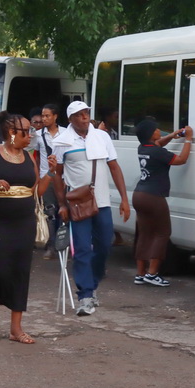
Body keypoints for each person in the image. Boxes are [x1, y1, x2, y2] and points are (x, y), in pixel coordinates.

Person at [0, 112, 49, 343]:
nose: (31, 135)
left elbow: (36, 190)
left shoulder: (29, 157)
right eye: (26, 131)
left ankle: (16, 329)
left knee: (21, 270)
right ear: (12, 133)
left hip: (24, 221)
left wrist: (53, 172)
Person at [52, 100, 131, 316]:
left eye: (86, 113)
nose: (84, 117)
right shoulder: (62, 141)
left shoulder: (102, 137)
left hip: (102, 201)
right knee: (82, 248)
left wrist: (124, 199)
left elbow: (114, 167)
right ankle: (85, 295)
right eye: (79, 114)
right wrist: (62, 204)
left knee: (104, 245)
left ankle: (93, 284)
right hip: (78, 202)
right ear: (70, 119)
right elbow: (57, 174)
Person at [132, 119, 192, 287]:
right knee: (162, 233)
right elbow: (181, 159)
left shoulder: (142, 148)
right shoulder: (158, 152)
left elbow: (158, 143)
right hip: (154, 196)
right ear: (151, 134)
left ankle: (140, 273)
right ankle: (152, 273)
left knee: (144, 234)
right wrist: (188, 139)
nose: (159, 130)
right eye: (156, 129)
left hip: (139, 194)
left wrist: (172, 136)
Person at [33, 103, 65, 259]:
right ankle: (51, 246)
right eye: (43, 116)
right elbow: (37, 156)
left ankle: (65, 245)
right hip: (47, 177)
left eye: (47, 116)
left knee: (64, 211)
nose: (44, 119)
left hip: (64, 177)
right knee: (49, 212)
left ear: (55, 116)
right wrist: (38, 176)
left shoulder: (65, 133)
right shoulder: (38, 135)